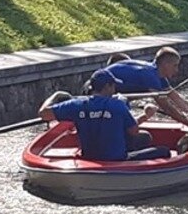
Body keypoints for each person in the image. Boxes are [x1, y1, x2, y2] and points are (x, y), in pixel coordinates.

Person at [38, 69, 168, 161]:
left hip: (88, 157)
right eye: (113, 86)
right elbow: (133, 131)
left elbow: (43, 114)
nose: (115, 90)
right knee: (163, 150)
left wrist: (55, 96)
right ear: (107, 86)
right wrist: (145, 115)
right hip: (116, 160)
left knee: (144, 138)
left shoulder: (76, 104)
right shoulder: (118, 105)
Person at [103, 46, 188, 129]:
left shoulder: (159, 75)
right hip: (101, 90)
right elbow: (167, 107)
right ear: (165, 64)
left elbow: (177, 99)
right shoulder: (150, 75)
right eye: (175, 66)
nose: (177, 70)